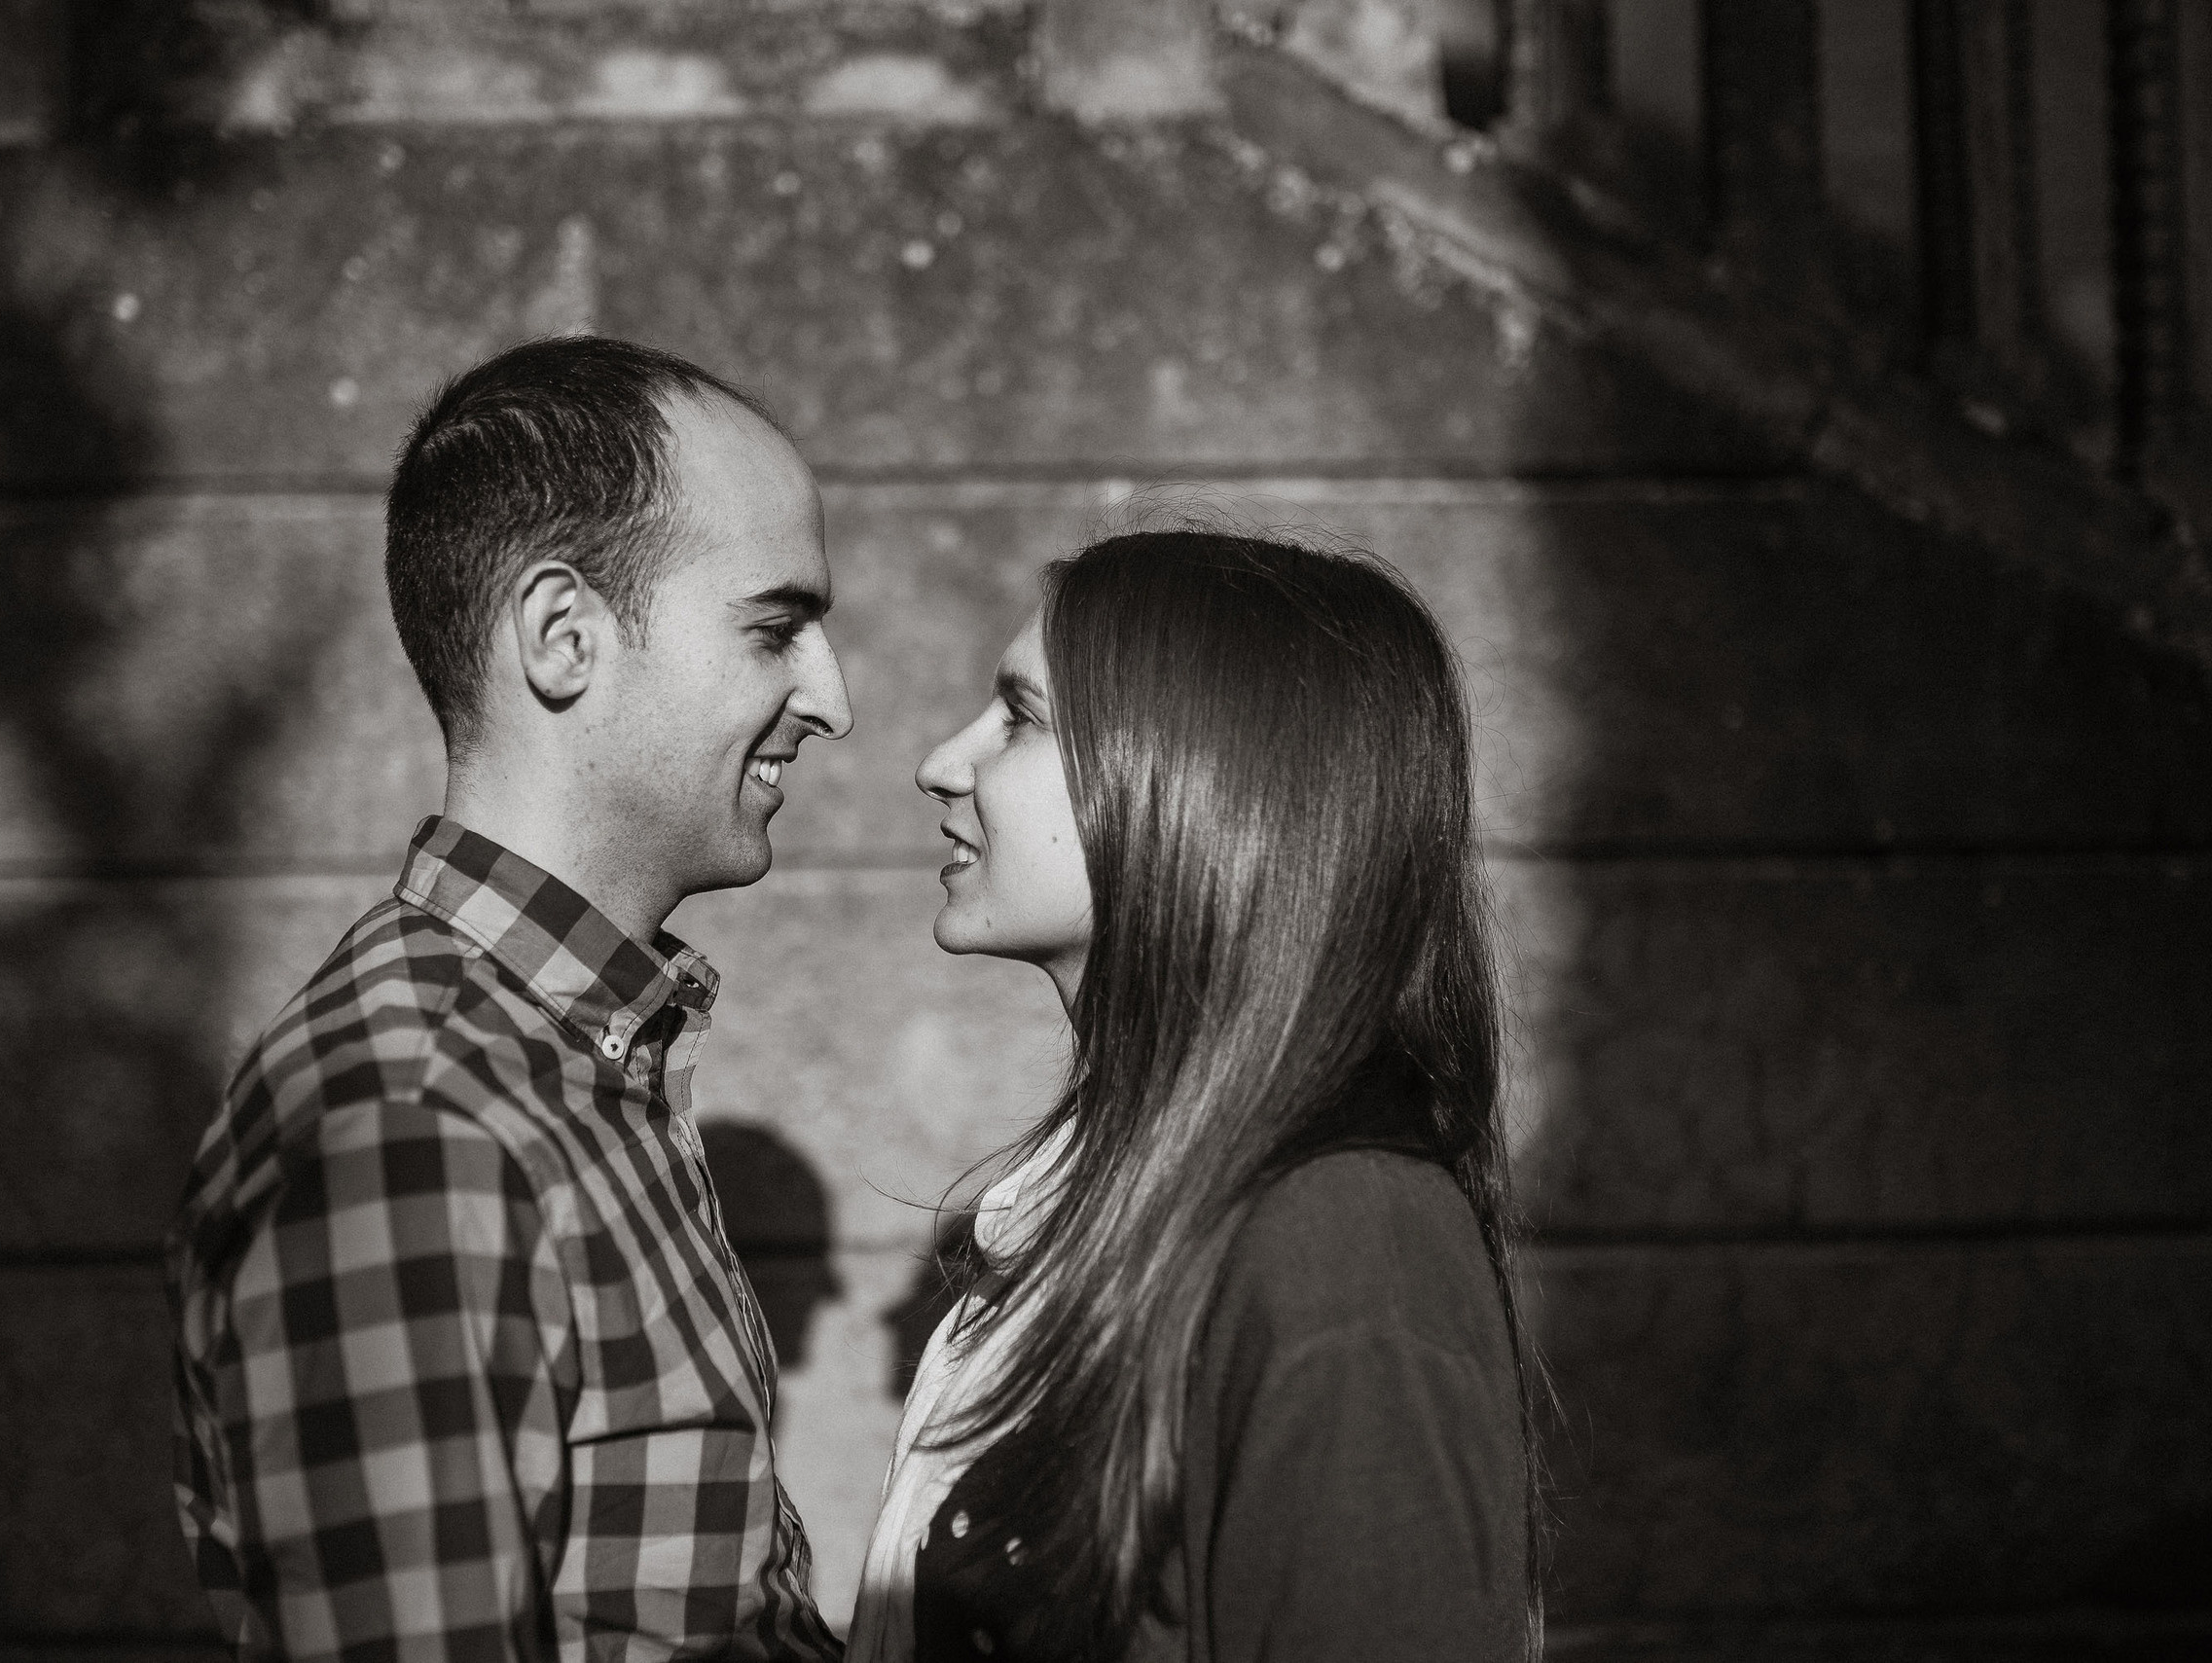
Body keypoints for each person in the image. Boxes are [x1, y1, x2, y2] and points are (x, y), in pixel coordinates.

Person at [166, 337, 852, 1662]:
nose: (831, 698)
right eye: (775, 628)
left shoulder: (560, 1065)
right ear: (562, 638)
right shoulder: (412, 1127)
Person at [852, 530, 1538, 1663]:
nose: (940, 761)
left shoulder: (1345, 1240)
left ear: (1198, 781)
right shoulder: (1106, 1206)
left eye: (1018, 717)